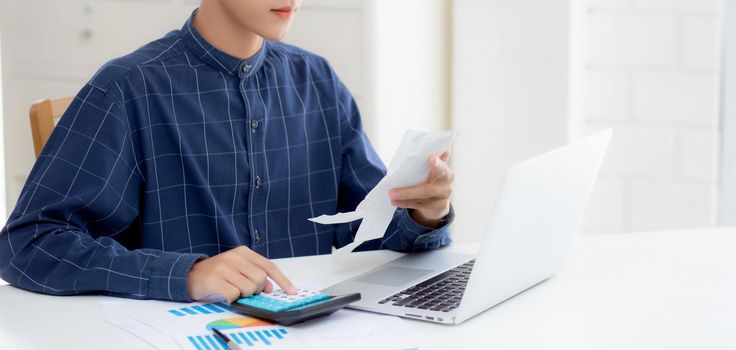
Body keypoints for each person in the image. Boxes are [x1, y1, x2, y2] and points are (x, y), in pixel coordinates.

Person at [0, 0, 454, 304]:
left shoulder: (317, 82)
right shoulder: (128, 89)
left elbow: (366, 229)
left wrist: (424, 215)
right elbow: (27, 245)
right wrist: (184, 274)